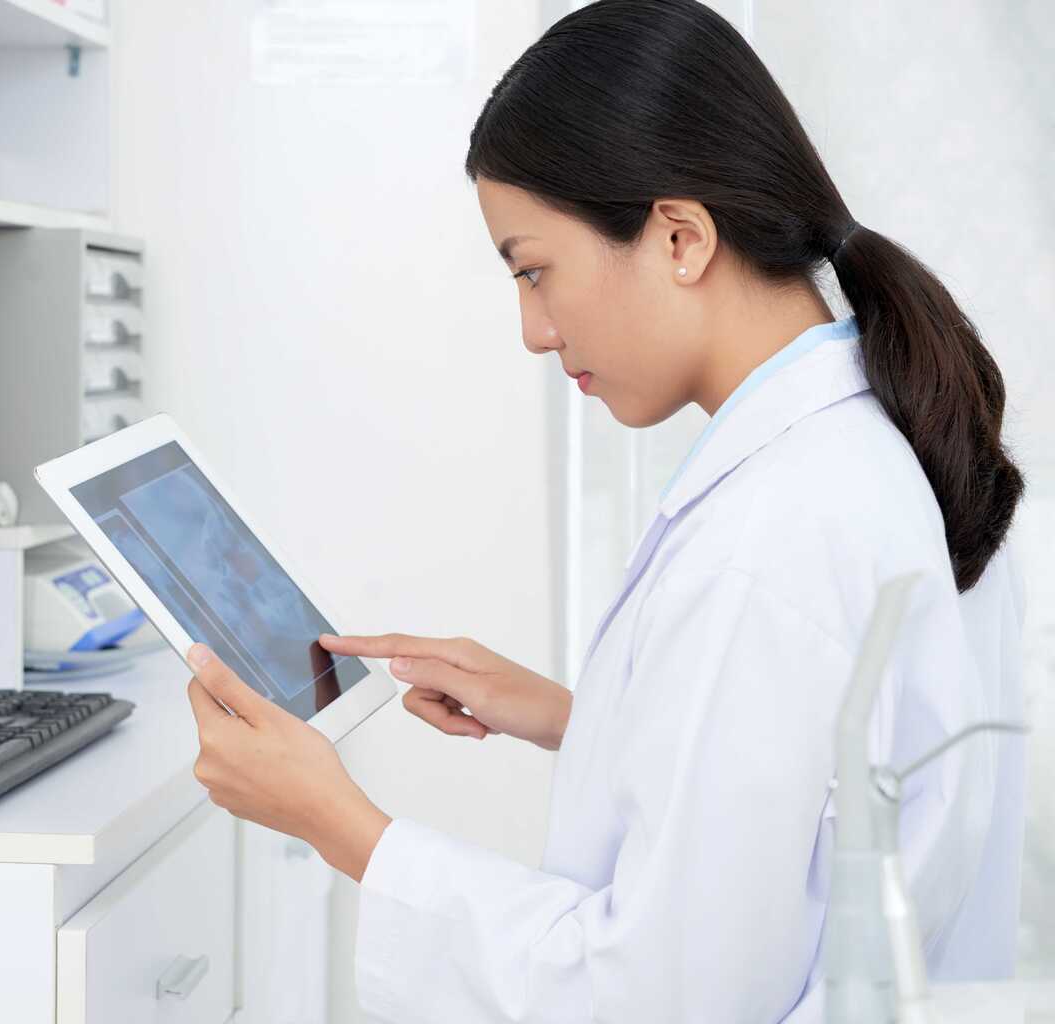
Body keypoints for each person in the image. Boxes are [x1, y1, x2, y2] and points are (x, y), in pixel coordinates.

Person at [182, 0, 1027, 1019]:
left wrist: (341, 824)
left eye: (536, 271)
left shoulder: (772, 538)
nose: (535, 330)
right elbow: (808, 807)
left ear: (679, 237)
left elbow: (659, 992)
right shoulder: (871, 448)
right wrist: (581, 721)